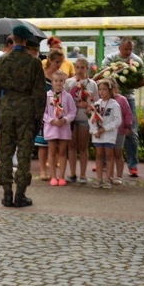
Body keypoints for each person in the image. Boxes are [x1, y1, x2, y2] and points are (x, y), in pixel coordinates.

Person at [0, 24, 46, 207]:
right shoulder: (34, 63)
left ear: (12, 39)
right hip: (26, 110)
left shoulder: (1, 61)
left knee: (5, 153)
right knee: (23, 153)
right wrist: (39, 116)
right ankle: (20, 194)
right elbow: (39, 93)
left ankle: (7, 193)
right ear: (26, 40)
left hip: (6, 109)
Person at [102, 38, 144, 177]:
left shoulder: (137, 61)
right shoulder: (110, 59)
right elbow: (103, 77)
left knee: (131, 132)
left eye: (130, 49)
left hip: (128, 99)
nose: (128, 52)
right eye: (125, 49)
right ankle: (103, 162)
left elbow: (142, 80)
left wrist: (131, 82)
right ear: (119, 47)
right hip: (110, 98)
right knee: (105, 128)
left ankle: (133, 165)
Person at [65, 57, 97, 184]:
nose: (79, 70)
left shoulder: (92, 84)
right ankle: (72, 173)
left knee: (83, 147)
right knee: (71, 146)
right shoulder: (69, 82)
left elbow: (96, 102)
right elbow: (64, 99)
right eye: (77, 67)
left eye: (82, 67)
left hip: (84, 118)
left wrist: (88, 105)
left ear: (87, 69)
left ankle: (83, 174)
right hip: (72, 119)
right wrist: (75, 104)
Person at [37, 49, 65, 180]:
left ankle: (54, 172)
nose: (59, 64)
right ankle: (43, 171)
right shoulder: (41, 75)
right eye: (56, 62)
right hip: (44, 112)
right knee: (43, 144)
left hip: (58, 114)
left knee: (55, 144)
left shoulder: (62, 76)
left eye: (61, 62)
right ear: (50, 60)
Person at [43, 71, 75, 186]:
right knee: (51, 152)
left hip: (63, 127)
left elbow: (72, 112)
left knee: (62, 151)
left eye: (61, 81)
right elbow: (43, 112)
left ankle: (61, 176)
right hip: (51, 127)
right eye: (56, 81)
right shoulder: (47, 96)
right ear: (52, 82)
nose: (58, 83)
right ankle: (53, 176)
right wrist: (51, 120)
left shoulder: (68, 96)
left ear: (64, 82)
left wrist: (65, 120)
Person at [88, 79, 122, 189]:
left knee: (108, 155)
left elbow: (117, 120)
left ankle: (108, 178)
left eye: (104, 90)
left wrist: (105, 129)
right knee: (98, 155)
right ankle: (99, 179)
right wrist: (94, 131)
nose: (102, 92)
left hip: (108, 135)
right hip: (98, 135)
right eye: (100, 90)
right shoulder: (96, 104)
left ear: (110, 91)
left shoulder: (114, 105)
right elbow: (92, 119)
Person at [109, 79, 134, 185]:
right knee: (109, 154)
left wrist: (128, 126)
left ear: (115, 88)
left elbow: (128, 114)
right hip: (107, 132)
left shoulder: (122, 99)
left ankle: (119, 176)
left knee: (118, 153)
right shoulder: (102, 100)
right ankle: (109, 176)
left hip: (119, 131)